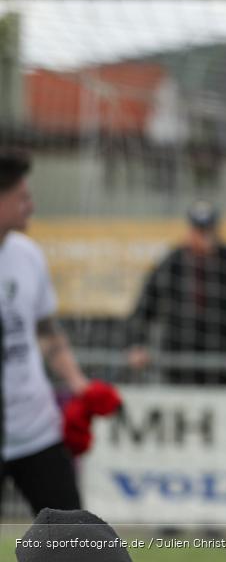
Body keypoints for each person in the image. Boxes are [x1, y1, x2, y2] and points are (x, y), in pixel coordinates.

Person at [0, 149, 88, 515]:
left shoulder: (28, 255)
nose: (31, 206)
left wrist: (79, 384)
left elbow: (47, 332)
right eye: (22, 197)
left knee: (77, 543)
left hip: (35, 430)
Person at [127, 199, 226, 384]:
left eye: (208, 231)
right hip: (178, 362)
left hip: (225, 364)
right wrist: (137, 345)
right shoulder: (173, 262)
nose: (204, 237)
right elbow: (144, 306)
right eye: (199, 231)